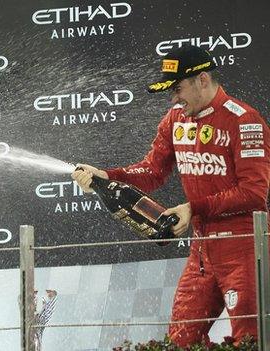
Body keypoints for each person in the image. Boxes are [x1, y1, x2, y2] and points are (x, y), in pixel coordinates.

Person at [72, 45, 270, 346]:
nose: (174, 99)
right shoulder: (176, 119)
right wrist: (106, 176)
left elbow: (254, 194)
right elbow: (151, 171)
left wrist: (194, 207)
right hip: (202, 251)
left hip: (243, 248)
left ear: (202, 80)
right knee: (180, 340)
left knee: (251, 341)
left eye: (178, 89)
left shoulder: (245, 120)